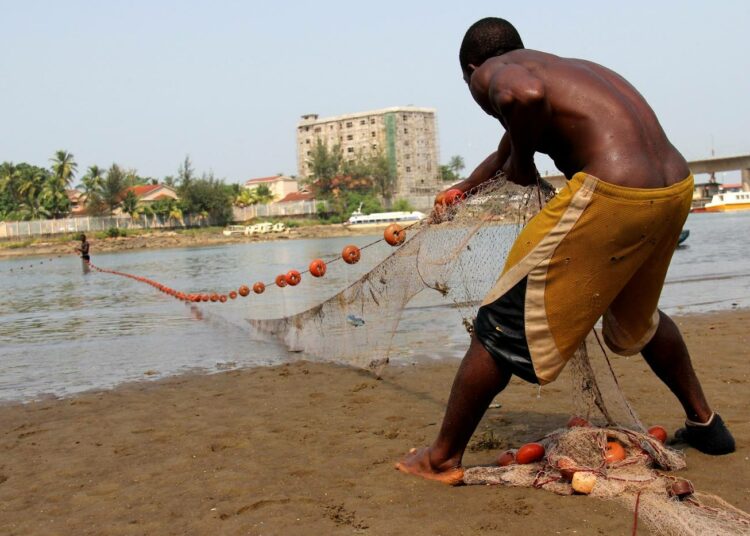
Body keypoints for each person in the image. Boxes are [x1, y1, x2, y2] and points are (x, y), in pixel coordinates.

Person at [396, 17, 735, 485]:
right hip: (673, 189)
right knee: (639, 318)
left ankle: (440, 458)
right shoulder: (566, 70)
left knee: (498, 323)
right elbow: (509, 142)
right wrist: (467, 187)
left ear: (472, 68)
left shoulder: (494, 74)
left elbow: (522, 98)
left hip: (613, 192)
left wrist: (525, 160)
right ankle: (707, 426)